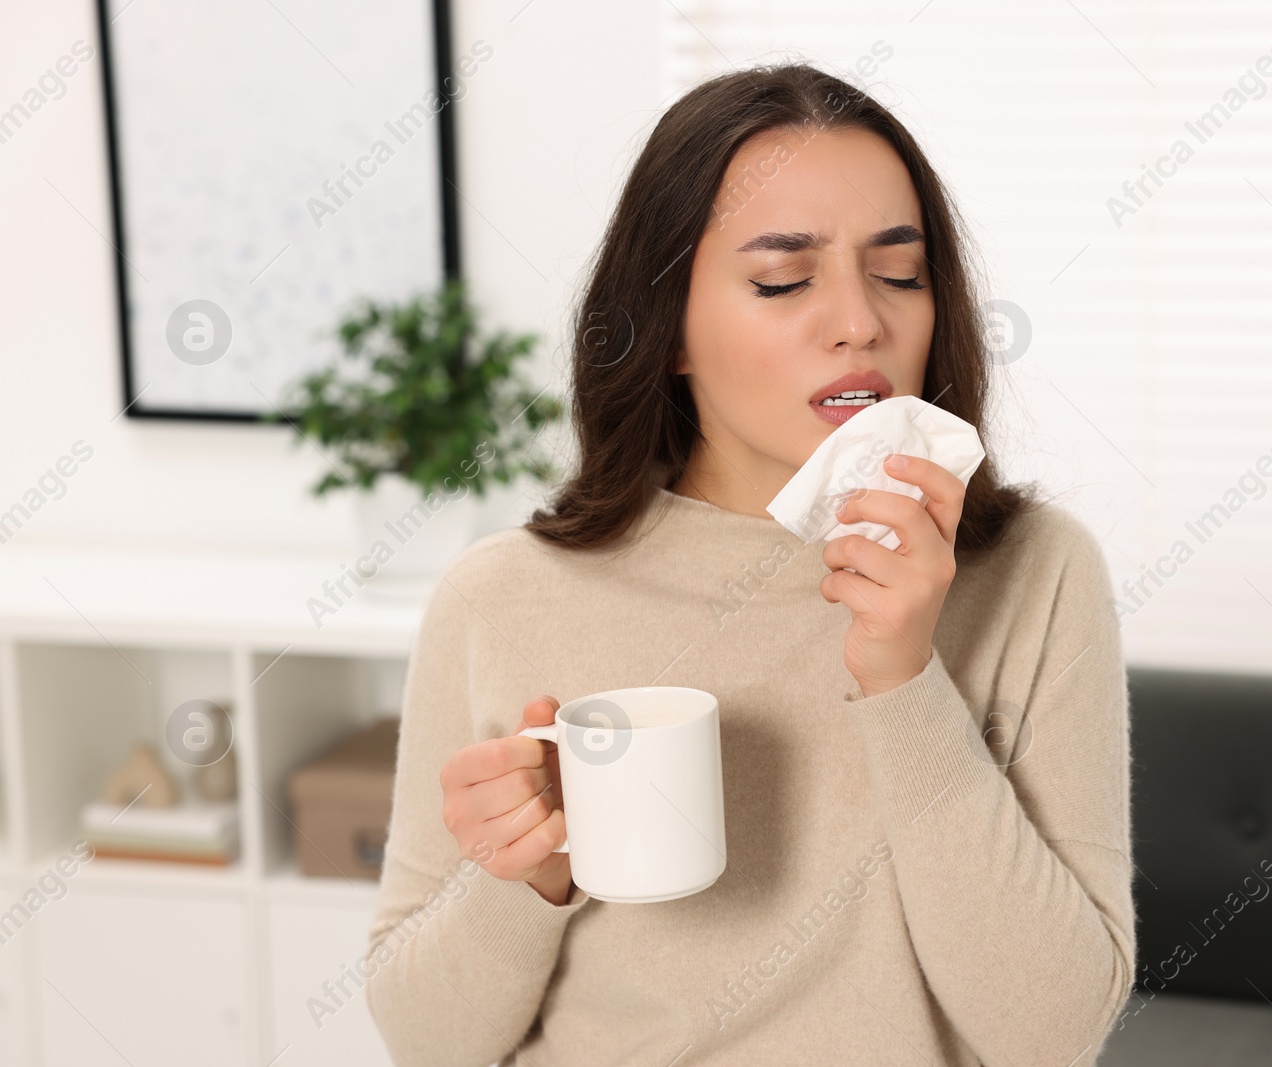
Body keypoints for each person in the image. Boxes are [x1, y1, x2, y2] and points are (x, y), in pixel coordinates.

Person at [365, 61, 1134, 1067]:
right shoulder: (502, 596)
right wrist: (526, 874)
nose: (861, 320)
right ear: (669, 328)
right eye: (783, 279)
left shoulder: (1033, 572)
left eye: (898, 273)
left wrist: (903, 675)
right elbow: (426, 1043)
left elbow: (1053, 1035)